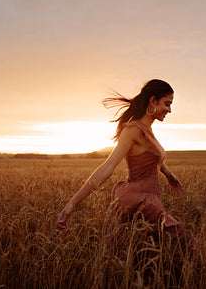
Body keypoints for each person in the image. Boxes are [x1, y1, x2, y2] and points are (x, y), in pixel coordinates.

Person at [57, 79, 185, 239]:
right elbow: (108, 166)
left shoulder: (147, 130)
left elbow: (153, 157)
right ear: (153, 101)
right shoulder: (133, 130)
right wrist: (72, 203)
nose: (170, 110)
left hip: (148, 199)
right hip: (140, 200)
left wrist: (169, 175)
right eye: (167, 104)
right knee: (181, 240)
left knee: (143, 252)